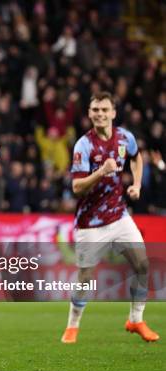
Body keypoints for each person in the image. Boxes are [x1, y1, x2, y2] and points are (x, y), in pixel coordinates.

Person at [61, 92, 159, 343]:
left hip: (118, 215)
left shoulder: (126, 138)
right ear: (90, 114)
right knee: (85, 277)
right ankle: (73, 325)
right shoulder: (84, 145)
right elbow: (76, 188)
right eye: (95, 110)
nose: (100, 114)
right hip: (90, 223)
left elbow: (137, 157)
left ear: (114, 113)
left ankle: (136, 320)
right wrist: (101, 172)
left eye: (105, 109)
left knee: (142, 265)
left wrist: (136, 184)